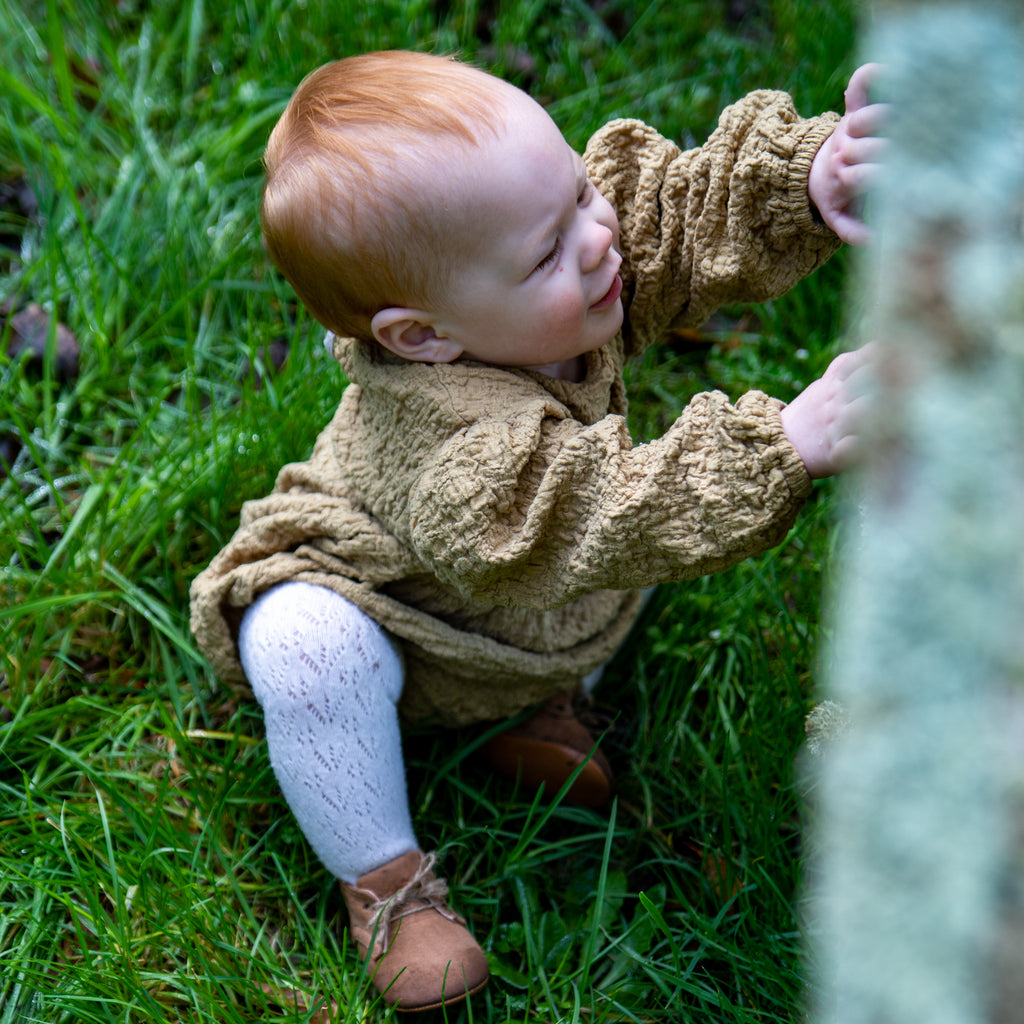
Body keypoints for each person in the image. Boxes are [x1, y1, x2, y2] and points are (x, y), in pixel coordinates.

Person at [190, 50, 883, 1012]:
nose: (597, 239)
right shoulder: (452, 454)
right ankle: (387, 884)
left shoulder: (556, 277)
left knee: (632, 540)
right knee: (305, 649)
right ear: (422, 337)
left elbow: (669, 219)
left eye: (578, 190)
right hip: (395, 613)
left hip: (531, 611)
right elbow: (588, 511)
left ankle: (528, 712)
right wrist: (781, 446)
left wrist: (810, 178)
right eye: (545, 254)